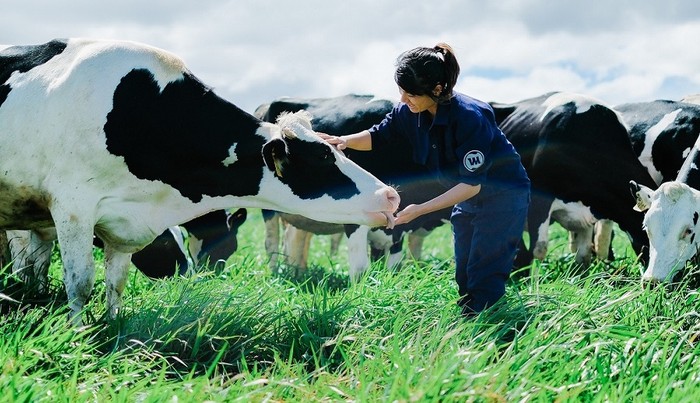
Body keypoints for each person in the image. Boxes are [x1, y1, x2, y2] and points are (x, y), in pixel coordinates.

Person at [320, 43, 530, 316]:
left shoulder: (470, 117)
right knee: (465, 273)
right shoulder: (409, 111)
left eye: (411, 94)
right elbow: (379, 135)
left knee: (484, 272)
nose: (404, 99)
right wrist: (343, 141)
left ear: (438, 89)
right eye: (401, 91)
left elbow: (472, 183)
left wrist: (419, 209)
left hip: (502, 196)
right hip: (465, 196)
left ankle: (492, 335)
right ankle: (472, 321)